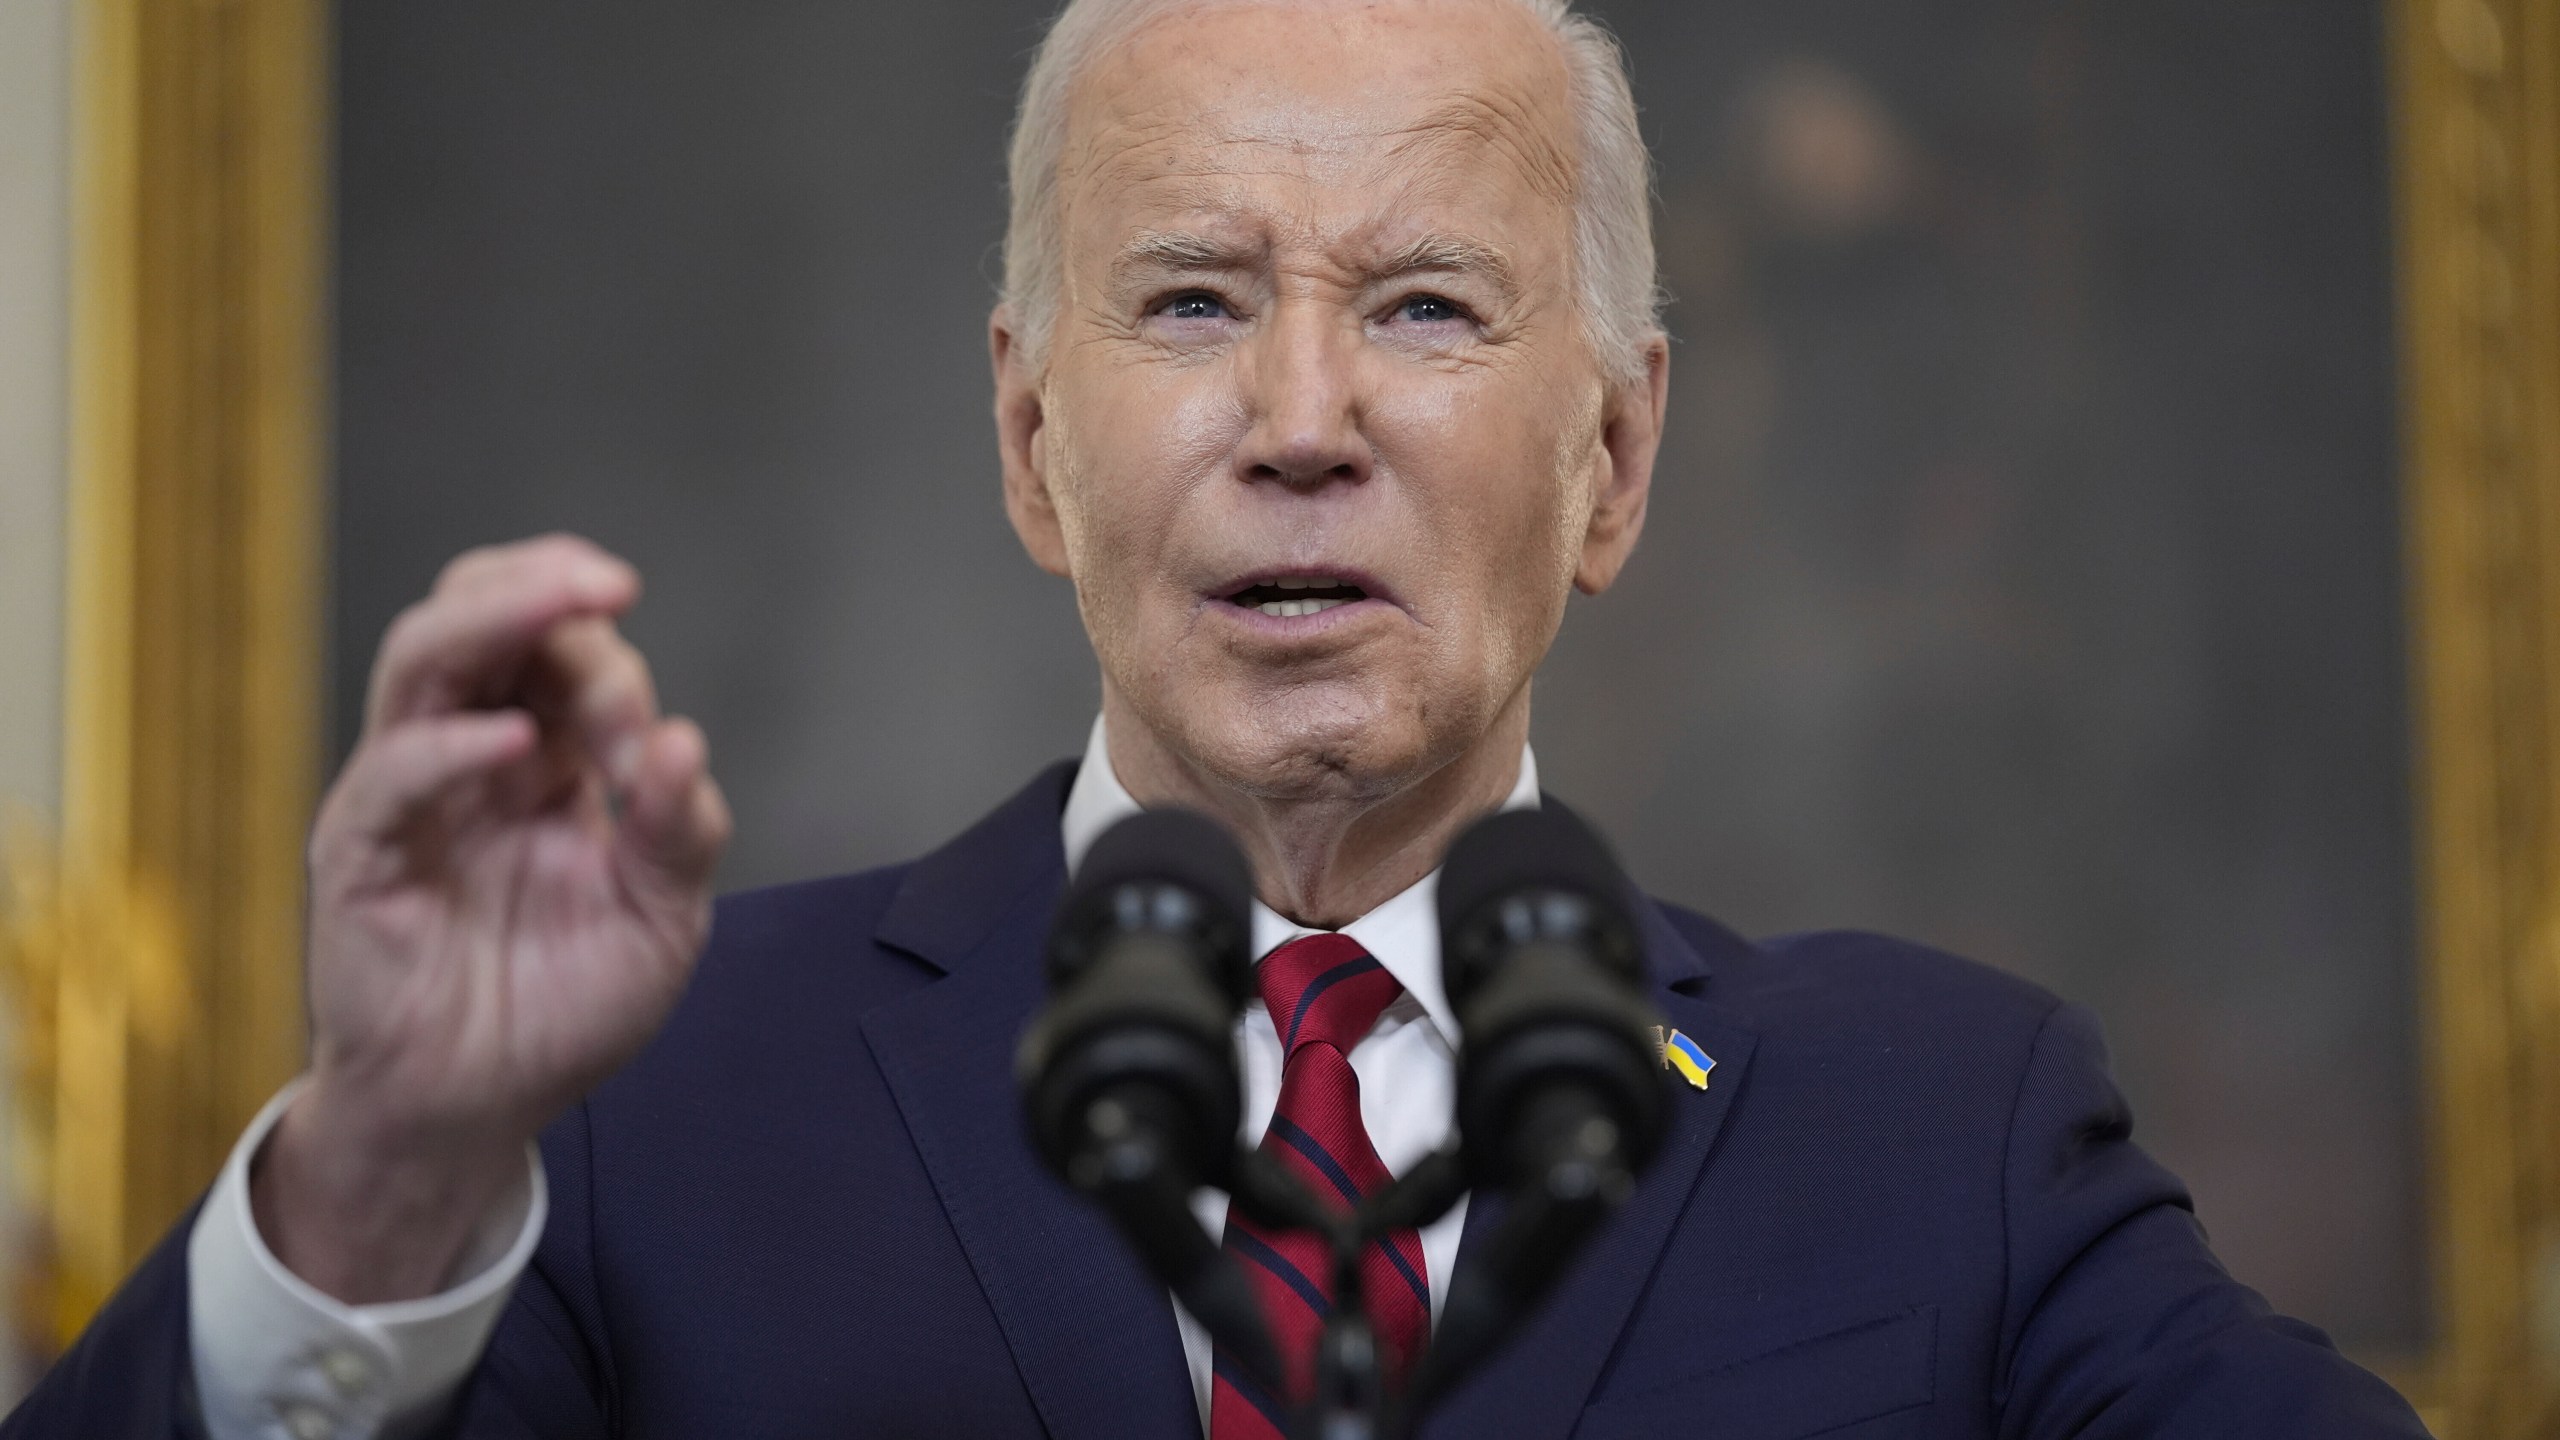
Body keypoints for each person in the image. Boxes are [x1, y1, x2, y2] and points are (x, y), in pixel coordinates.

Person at [6, 0, 2431, 1436]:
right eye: (1183, 303)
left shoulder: (1942, 1131)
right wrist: (382, 1183)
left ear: (1613, 456)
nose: (1297, 416)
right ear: (1025, 440)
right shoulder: (631, 1118)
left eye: (1423, 310)